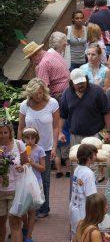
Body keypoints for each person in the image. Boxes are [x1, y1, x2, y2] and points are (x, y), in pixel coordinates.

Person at [18, 78, 59, 218]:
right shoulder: (24, 105)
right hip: (28, 147)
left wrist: (54, 147)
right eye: (36, 94)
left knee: (44, 178)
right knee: (29, 177)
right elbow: (21, 127)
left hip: (46, 147)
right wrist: (19, 146)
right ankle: (31, 206)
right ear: (30, 94)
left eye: (41, 93)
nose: (39, 96)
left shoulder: (52, 103)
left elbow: (55, 126)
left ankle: (44, 207)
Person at [0, 117, 28, 242]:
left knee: (15, 223)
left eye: (5, 132)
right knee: (0, 222)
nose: (3, 135)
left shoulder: (19, 144)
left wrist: (22, 168)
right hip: (0, 192)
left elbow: (26, 162)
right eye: (0, 133)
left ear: (10, 132)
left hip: (15, 190)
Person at [59, 69, 110, 147]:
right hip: (76, 137)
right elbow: (62, 116)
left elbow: (107, 112)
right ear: (71, 83)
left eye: (82, 82)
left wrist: (108, 132)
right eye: (78, 83)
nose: (81, 85)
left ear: (86, 79)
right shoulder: (67, 93)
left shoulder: (97, 91)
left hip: (95, 135)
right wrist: (60, 132)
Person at [23, 35, 70, 100]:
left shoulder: (43, 64)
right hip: (68, 90)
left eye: (30, 58)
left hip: (60, 95)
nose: (31, 61)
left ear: (35, 54)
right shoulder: (52, 53)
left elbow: (41, 88)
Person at [20, 127, 45, 242]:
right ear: (23, 138)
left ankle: (29, 236)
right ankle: (25, 226)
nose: (30, 140)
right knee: (22, 210)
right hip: (23, 182)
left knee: (32, 211)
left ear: (36, 138)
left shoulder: (40, 150)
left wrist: (32, 163)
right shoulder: (21, 149)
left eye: (33, 138)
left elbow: (43, 168)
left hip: (35, 183)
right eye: (27, 138)